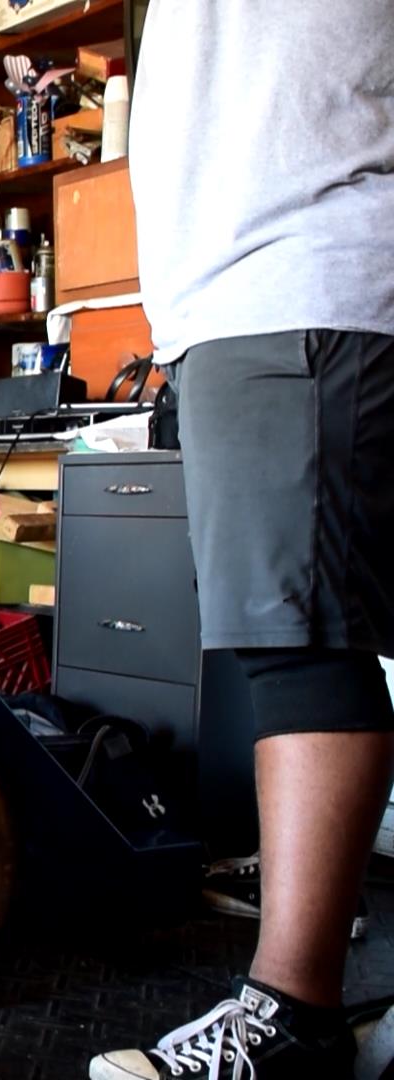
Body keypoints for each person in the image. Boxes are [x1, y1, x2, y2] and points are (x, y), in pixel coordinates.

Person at [90, 4, 394, 1078]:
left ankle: (291, 1018)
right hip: (243, 297)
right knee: (287, 639)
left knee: (299, 643)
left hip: (304, 272)